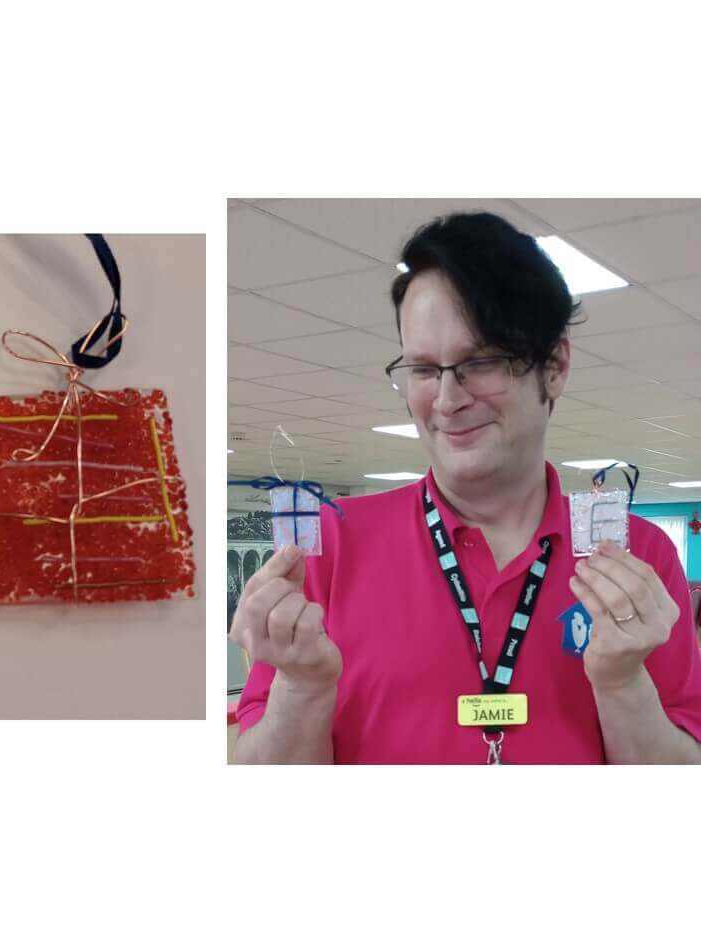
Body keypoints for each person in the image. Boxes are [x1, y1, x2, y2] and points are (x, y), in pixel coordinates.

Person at [231, 211, 701, 764]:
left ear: (554, 365)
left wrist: (623, 686)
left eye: (480, 362)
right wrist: (302, 689)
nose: (448, 400)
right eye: (424, 369)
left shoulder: (638, 558)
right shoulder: (327, 546)